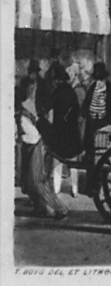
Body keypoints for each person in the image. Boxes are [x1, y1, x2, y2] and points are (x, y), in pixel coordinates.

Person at [16, 89, 67, 219]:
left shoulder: (22, 116)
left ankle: (60, 208)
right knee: (27, 182)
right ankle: (40, 207)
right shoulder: (22, 111)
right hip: (28, 146)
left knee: (37, 180)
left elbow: (34, 136)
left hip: (35, 146)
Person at [44, 63, 82, 199]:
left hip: (60, 131)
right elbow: (77, 111)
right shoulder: (71, 92)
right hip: (72, 132)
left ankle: (56, 189)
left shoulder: (56, 92)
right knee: (73, 163)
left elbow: (48, 107)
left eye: (56, 80)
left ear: (58, 80)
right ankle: (75, 190)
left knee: (57, 161)